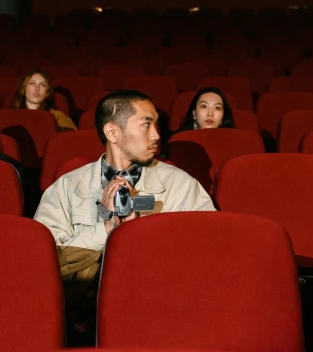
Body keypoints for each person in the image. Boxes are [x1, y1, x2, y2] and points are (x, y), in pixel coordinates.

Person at [36, 89, 215, 254]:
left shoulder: (181, 185)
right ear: (112, 132)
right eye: (146, 124)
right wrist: (105, 228)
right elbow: (46, 261)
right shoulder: (66, 188)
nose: (156, 135)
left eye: (156, 124)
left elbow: (207, 248)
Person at [11, 69, 76, 131]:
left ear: (47, 92)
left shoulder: (58, 118)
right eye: (32, 83)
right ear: (24, 88)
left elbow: (72, 139)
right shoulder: (11, 116)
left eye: (42, 85)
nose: (37, 88)